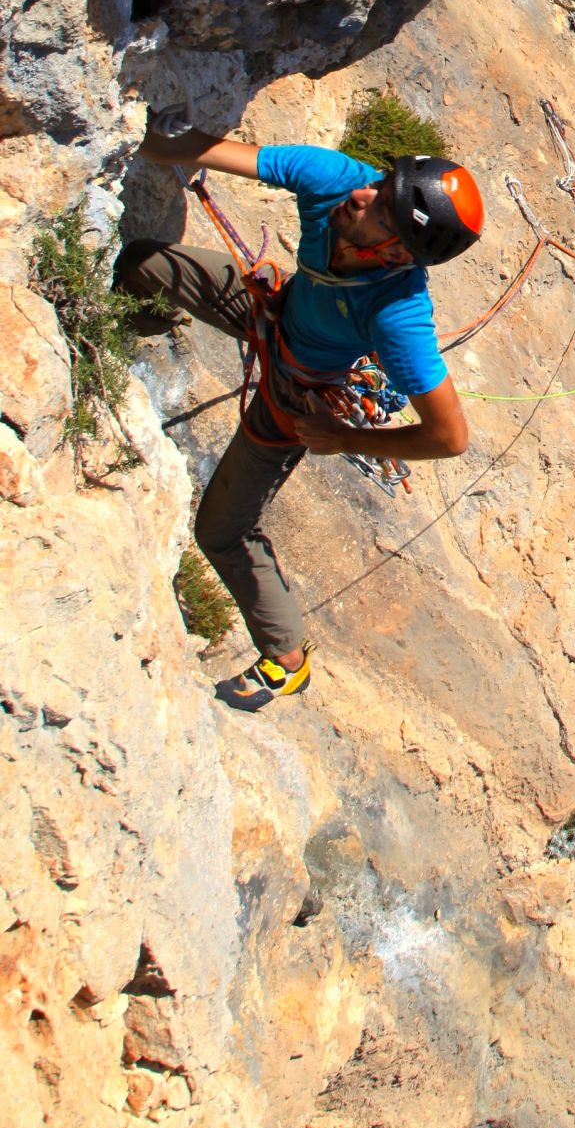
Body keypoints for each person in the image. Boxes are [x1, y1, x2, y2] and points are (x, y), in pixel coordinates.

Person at [116, 126, 484, 713]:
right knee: (141, 263)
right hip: (273, 308)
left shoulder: (397, 313)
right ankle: (135, 329)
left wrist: (344, 437)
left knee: (221, 531)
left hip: (294, 396)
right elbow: (199, 148)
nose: (364, 195)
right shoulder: (337, 182)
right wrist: (127, 135)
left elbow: (451, 436)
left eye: (382, 208)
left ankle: (286, 658)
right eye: (380, 184)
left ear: (395, 253)